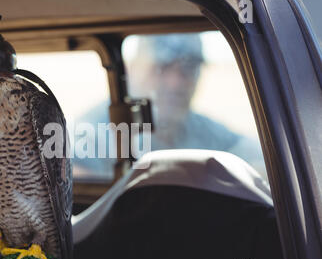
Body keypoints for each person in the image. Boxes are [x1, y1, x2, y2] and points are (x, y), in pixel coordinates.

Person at [72, 33, 267, 180]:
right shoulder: (93, 133)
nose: (176, 83)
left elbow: (258, 159)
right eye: (161, 68)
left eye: (188, 69)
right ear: (131, 69)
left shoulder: (201, 129)